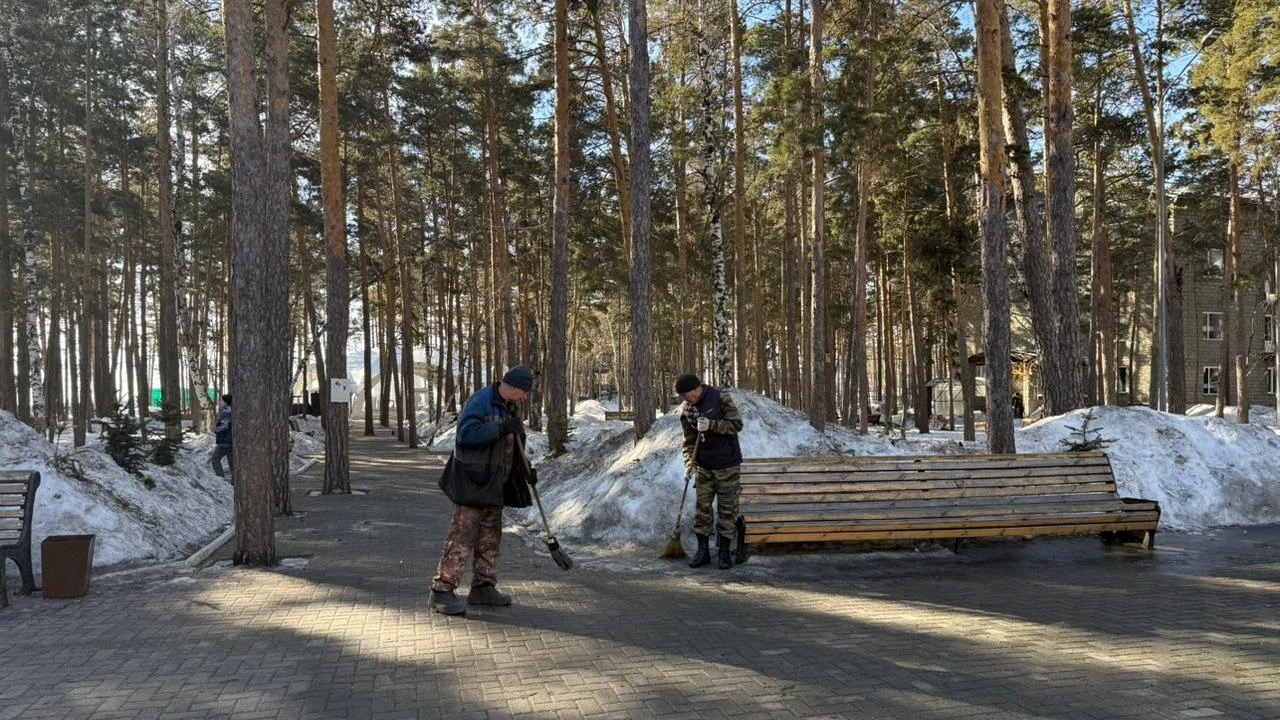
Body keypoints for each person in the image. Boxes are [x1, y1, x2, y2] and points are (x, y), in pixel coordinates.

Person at [429, 365, 534, 616]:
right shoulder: (481, 401)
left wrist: (526, 470)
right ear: (513, 387)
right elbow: (466, 434)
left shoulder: (510, 407)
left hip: (495, 484)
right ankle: (441, 591)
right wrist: (500, 428)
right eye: (524, 392)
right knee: (462, 538)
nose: (525, 398)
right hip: (472, 482)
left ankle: (483, 587)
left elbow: (512, 445)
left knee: (490, 539)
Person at [676, 373, 744, 570]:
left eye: (688, 395)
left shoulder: (719, 397)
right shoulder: (687, 410)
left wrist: (712, 425)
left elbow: (736, 425)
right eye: (683, 397)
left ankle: (724, 552)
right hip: (705, 467)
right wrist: (690, 463)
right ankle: (703, 551)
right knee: (703, 511)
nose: (686, 400)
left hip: (728, 464)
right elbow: (688, 441)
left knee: (727, 510)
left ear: (697, 389)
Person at [211, 394, 233, 480]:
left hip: (224, 441)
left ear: (226, 402)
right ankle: (235, 482)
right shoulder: (232, 410)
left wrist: (216, 429)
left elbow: (225, 425)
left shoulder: (225, 411)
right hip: (230, 440)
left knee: (214, 459)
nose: (220, 402)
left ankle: (220, 479)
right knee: (232, 463)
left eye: (222, 400)